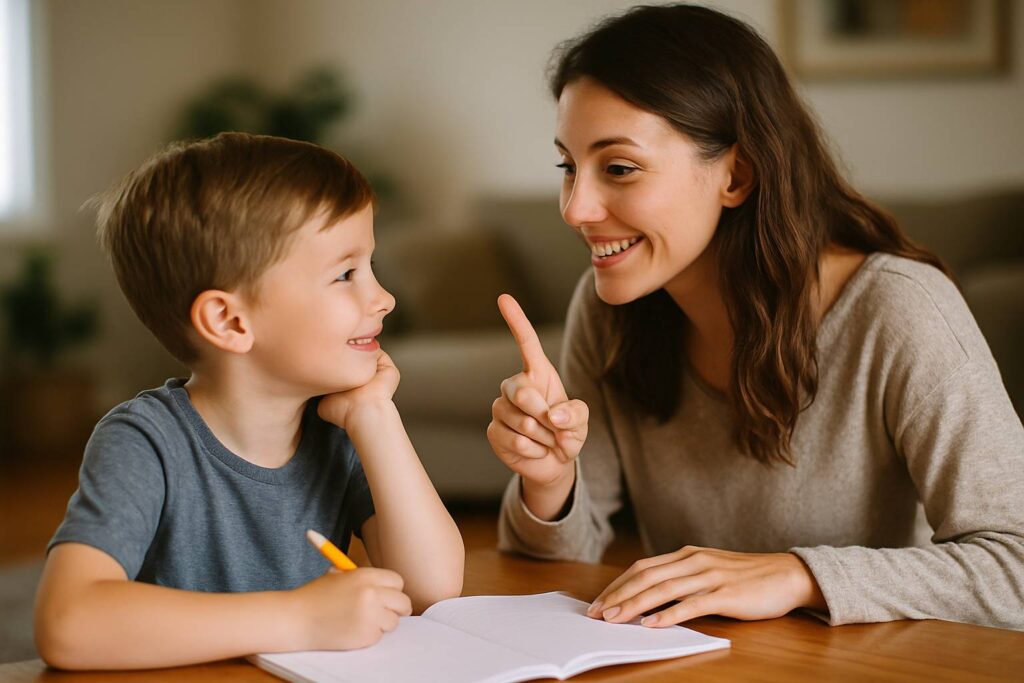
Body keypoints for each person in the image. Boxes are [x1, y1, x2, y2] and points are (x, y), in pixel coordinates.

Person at [489, 4, 1024, 630]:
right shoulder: (609, 309)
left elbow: (1014, 565)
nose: (576, 208)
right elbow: (553, 567)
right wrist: (550, 480)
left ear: (736, 175)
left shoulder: (899, 309)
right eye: (568, 167)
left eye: (619, 168)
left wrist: (797, 575)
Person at [34, 133, 465, 669]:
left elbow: (432, 589)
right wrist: (301, 618)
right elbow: (67, 623)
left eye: (370, 267)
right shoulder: (145, 440)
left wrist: (375, 414)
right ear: (230, 322)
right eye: (345, 274)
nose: (384, 298)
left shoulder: (340, 429)